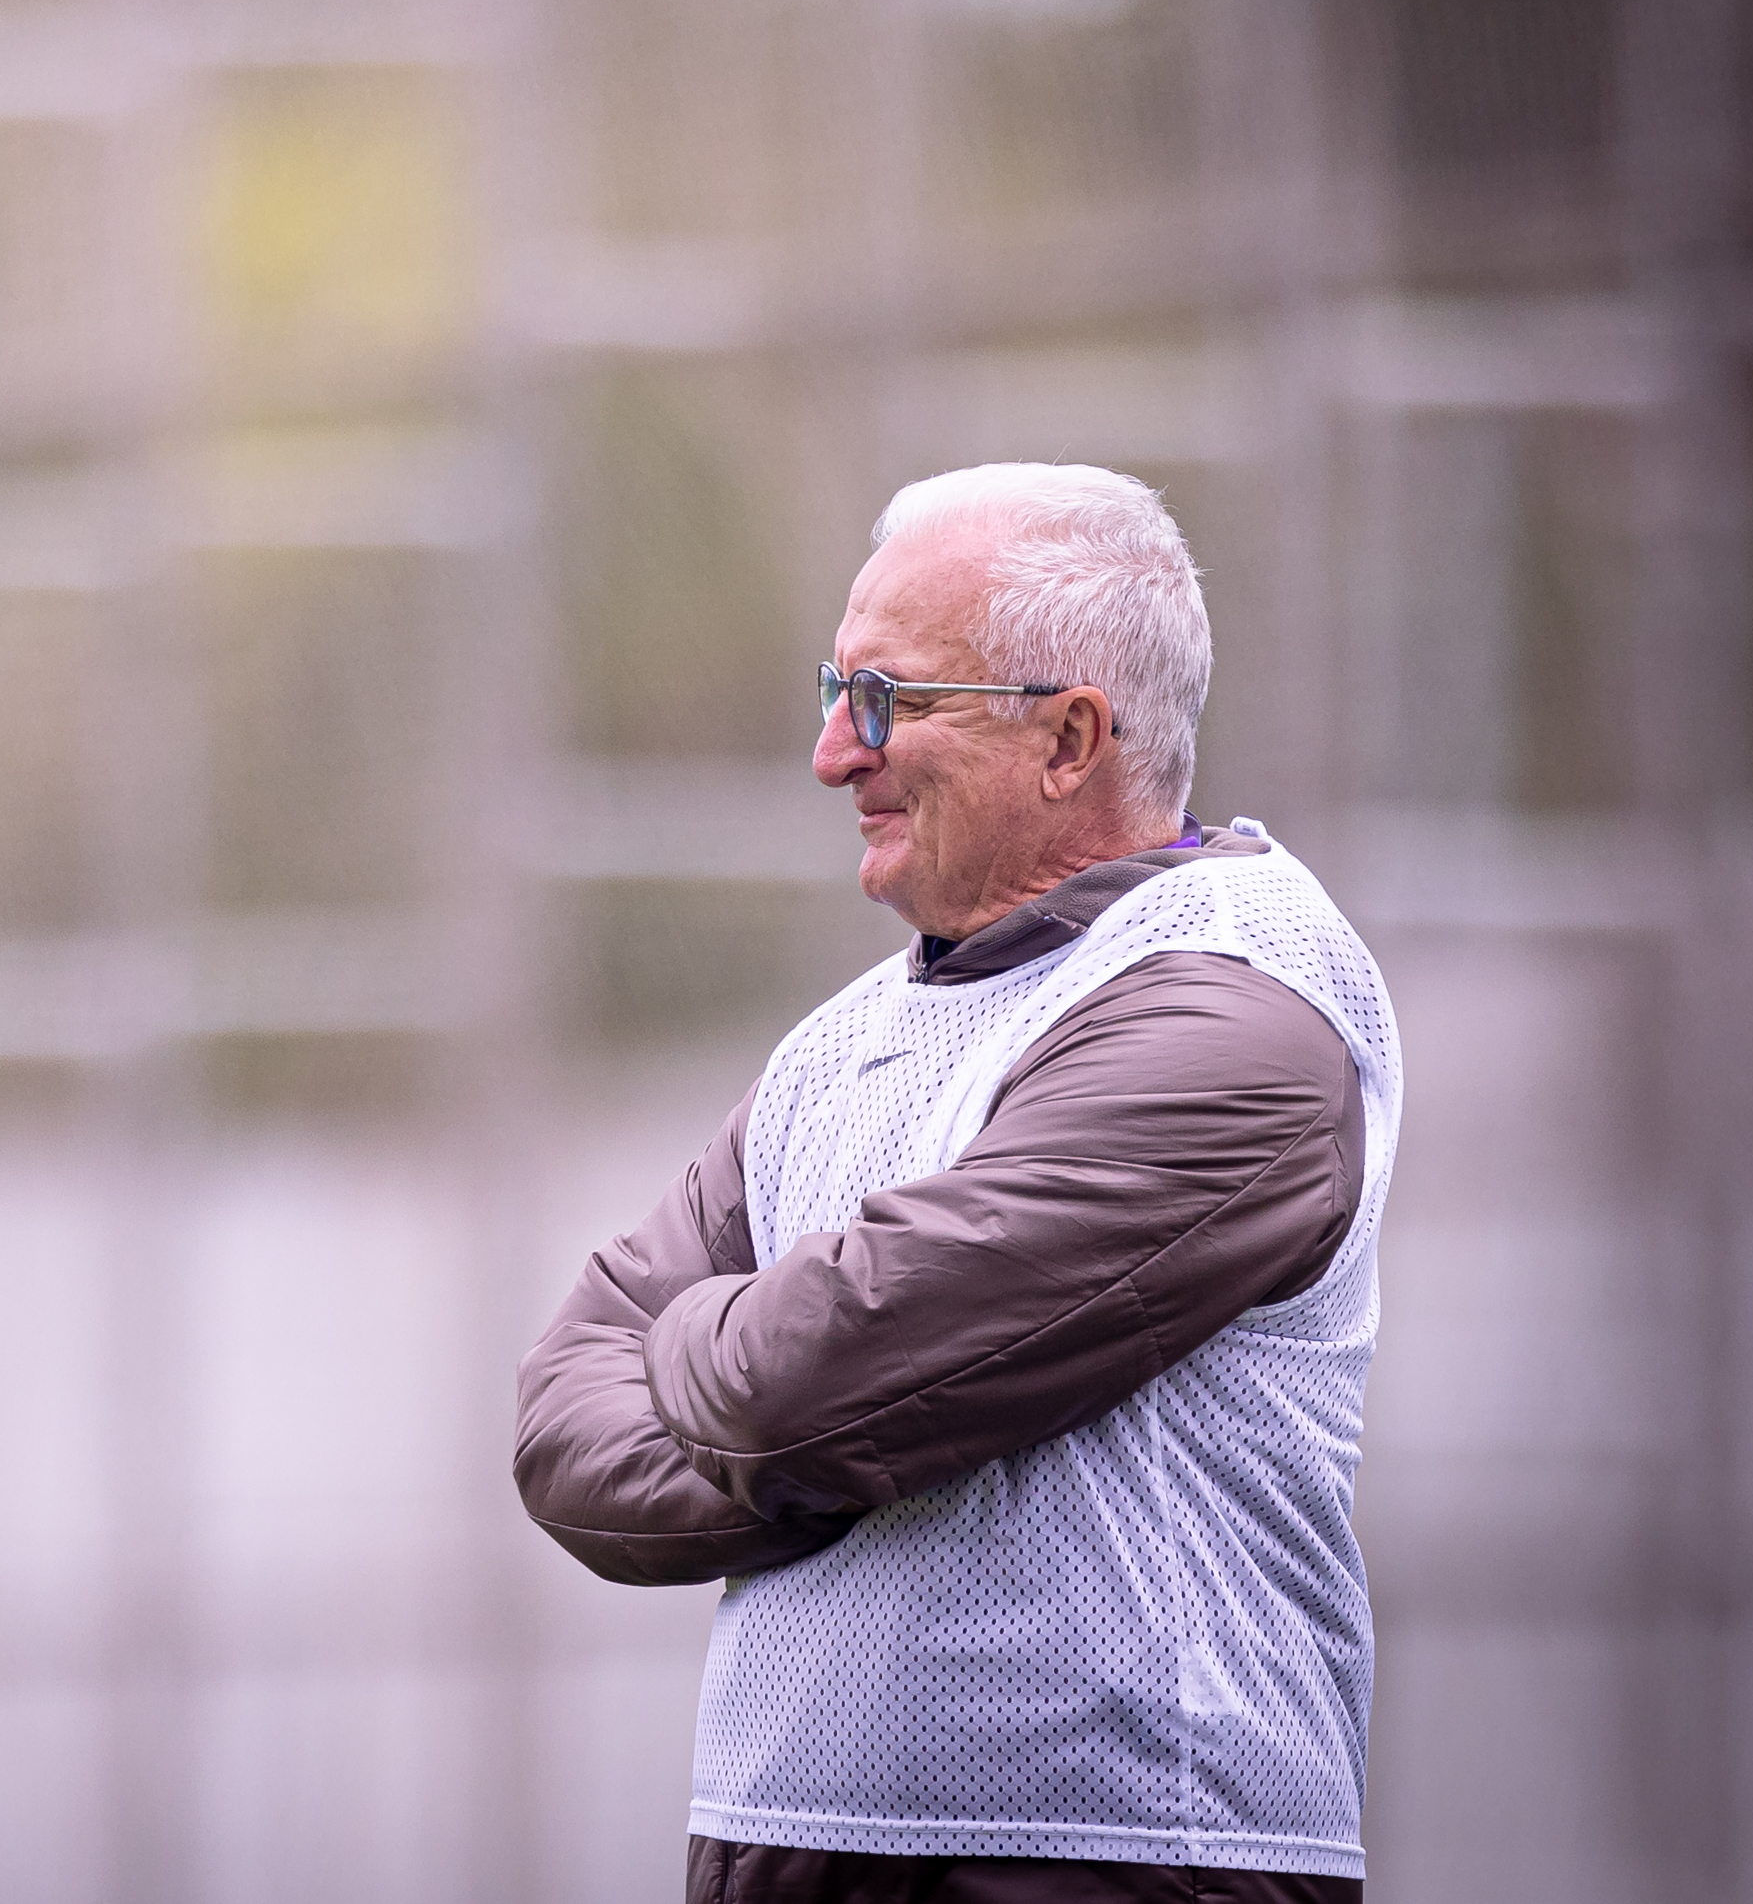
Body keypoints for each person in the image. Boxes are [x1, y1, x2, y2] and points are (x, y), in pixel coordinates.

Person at [515, 462, 1398, 1904]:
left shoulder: (1243, 1004)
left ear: (1069, 738)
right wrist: (813, 1410)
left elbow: (818, 1374)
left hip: (1122, 1870)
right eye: (830, 689)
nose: (831, 753)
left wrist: (716, 1357)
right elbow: (567, 1420)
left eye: (888, 699)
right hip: (781, 1858)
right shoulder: (838, 1043)